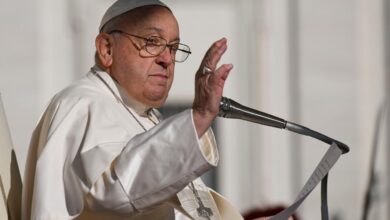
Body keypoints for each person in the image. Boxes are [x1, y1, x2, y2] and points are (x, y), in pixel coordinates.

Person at [22, 0, 271, 219]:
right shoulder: (82, 105)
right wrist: (200, 116)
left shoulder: (145, 116)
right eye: (152, 42)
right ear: (106, 49)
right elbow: (117, 191)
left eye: (173, 48)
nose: (166, 59)